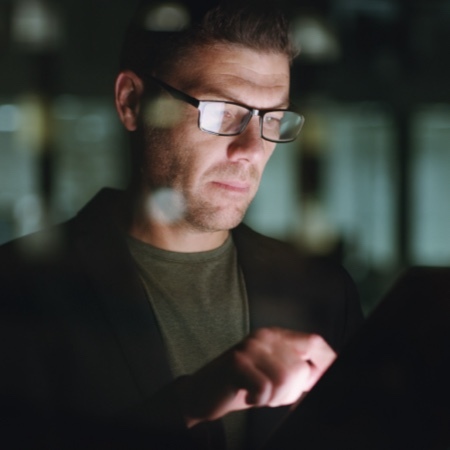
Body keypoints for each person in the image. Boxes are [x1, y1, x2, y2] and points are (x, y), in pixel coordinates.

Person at [0, 2, 363, 449]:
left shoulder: (324, 294)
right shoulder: (18, 288)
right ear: (132, 102)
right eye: (223, 111)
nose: (250, 150)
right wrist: (190, 403)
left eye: (271, 118)